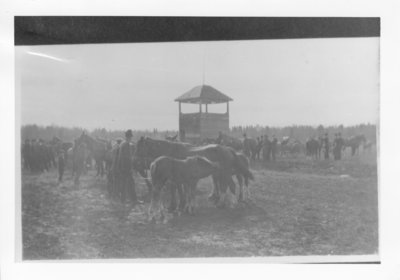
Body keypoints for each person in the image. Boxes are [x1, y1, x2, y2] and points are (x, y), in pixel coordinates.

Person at [116, 129, 142, 205]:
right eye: (131, 137)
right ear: (129, 137)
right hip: (126, 168)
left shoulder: (122, 144)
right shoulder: (126, 144)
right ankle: (133, 200)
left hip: (122, 168)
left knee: (125, 185)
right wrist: (130, 168)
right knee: (130, 184)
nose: (131, 138)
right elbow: (127, 158)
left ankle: (124, 200)